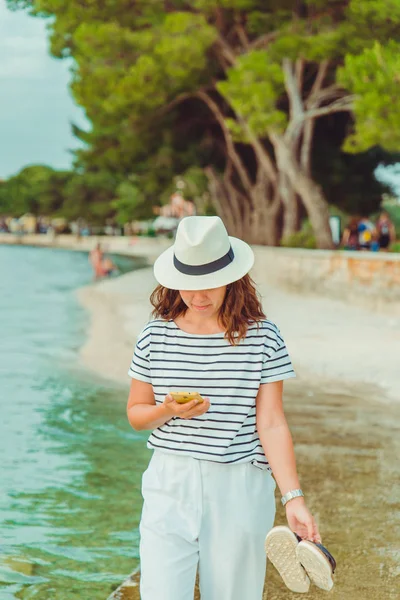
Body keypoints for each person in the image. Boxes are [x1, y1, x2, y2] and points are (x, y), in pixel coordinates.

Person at [126, 216, 322, 600]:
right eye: (189, 285)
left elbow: (271, 423)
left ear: (232, 277)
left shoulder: (264, 336)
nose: (198, 296)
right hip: (169, 481)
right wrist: (168, 410)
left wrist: (293, 497)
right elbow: (136, 413)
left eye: (208, 284)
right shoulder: (155, 334)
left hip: (239, 484)